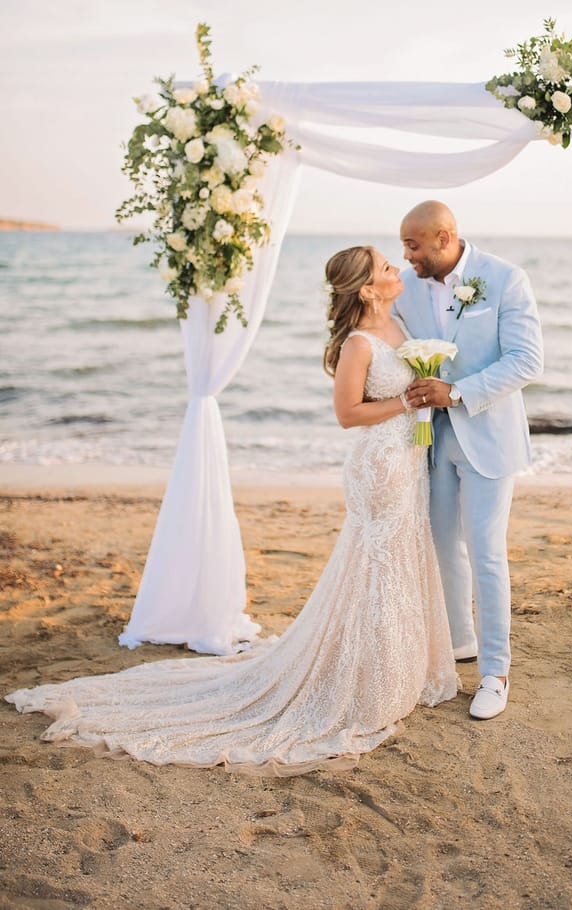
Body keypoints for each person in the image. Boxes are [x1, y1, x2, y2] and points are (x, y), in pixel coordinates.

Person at [6, 246, 457, 773]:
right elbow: (347, 414)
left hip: (407, 461)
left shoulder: (401, 324)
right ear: (365, 289)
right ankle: (370, 684)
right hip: (378, 467)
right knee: (379, 567)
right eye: (385, 267)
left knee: (400, 563)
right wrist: (408, 403)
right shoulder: (359, 344)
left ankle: (394, 669)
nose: (395, 270)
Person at [395, 202, 543, 721]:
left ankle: (496, 673)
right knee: (441, 546)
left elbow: (526, 360)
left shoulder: (504, 279)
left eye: (413, 246)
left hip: (489, 438)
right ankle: (460, 641)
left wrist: (456, 392)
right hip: (430, 443)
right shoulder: (405, 285)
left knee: (486, 552)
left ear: (444, 237)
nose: (406, 256)